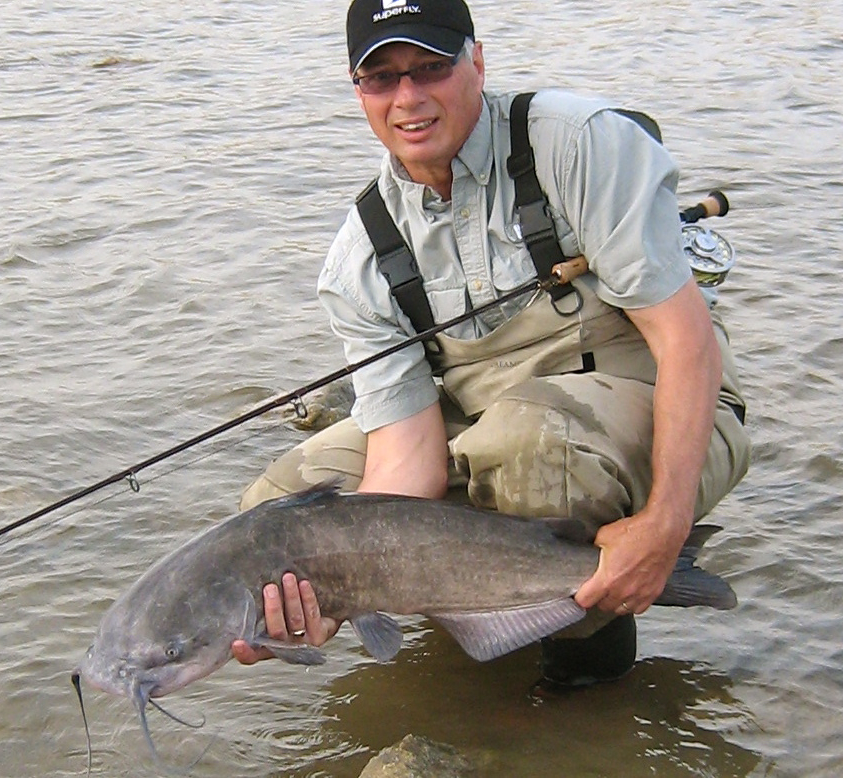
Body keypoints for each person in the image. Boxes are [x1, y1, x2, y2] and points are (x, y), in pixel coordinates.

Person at [230, 0, 750, 686]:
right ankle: (494, 621)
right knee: (275, 518)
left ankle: (589, 664)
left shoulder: (580, 143)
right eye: (381, 78)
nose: (408, 97)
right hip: (498, 425)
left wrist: (663, 524)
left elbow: (688, 344)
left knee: (527, 450)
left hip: (671, 403)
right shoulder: (359, 258)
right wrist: (336, 589)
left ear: (477, 60)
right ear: (357, 91)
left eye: (431, 67)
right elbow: (407, 463)